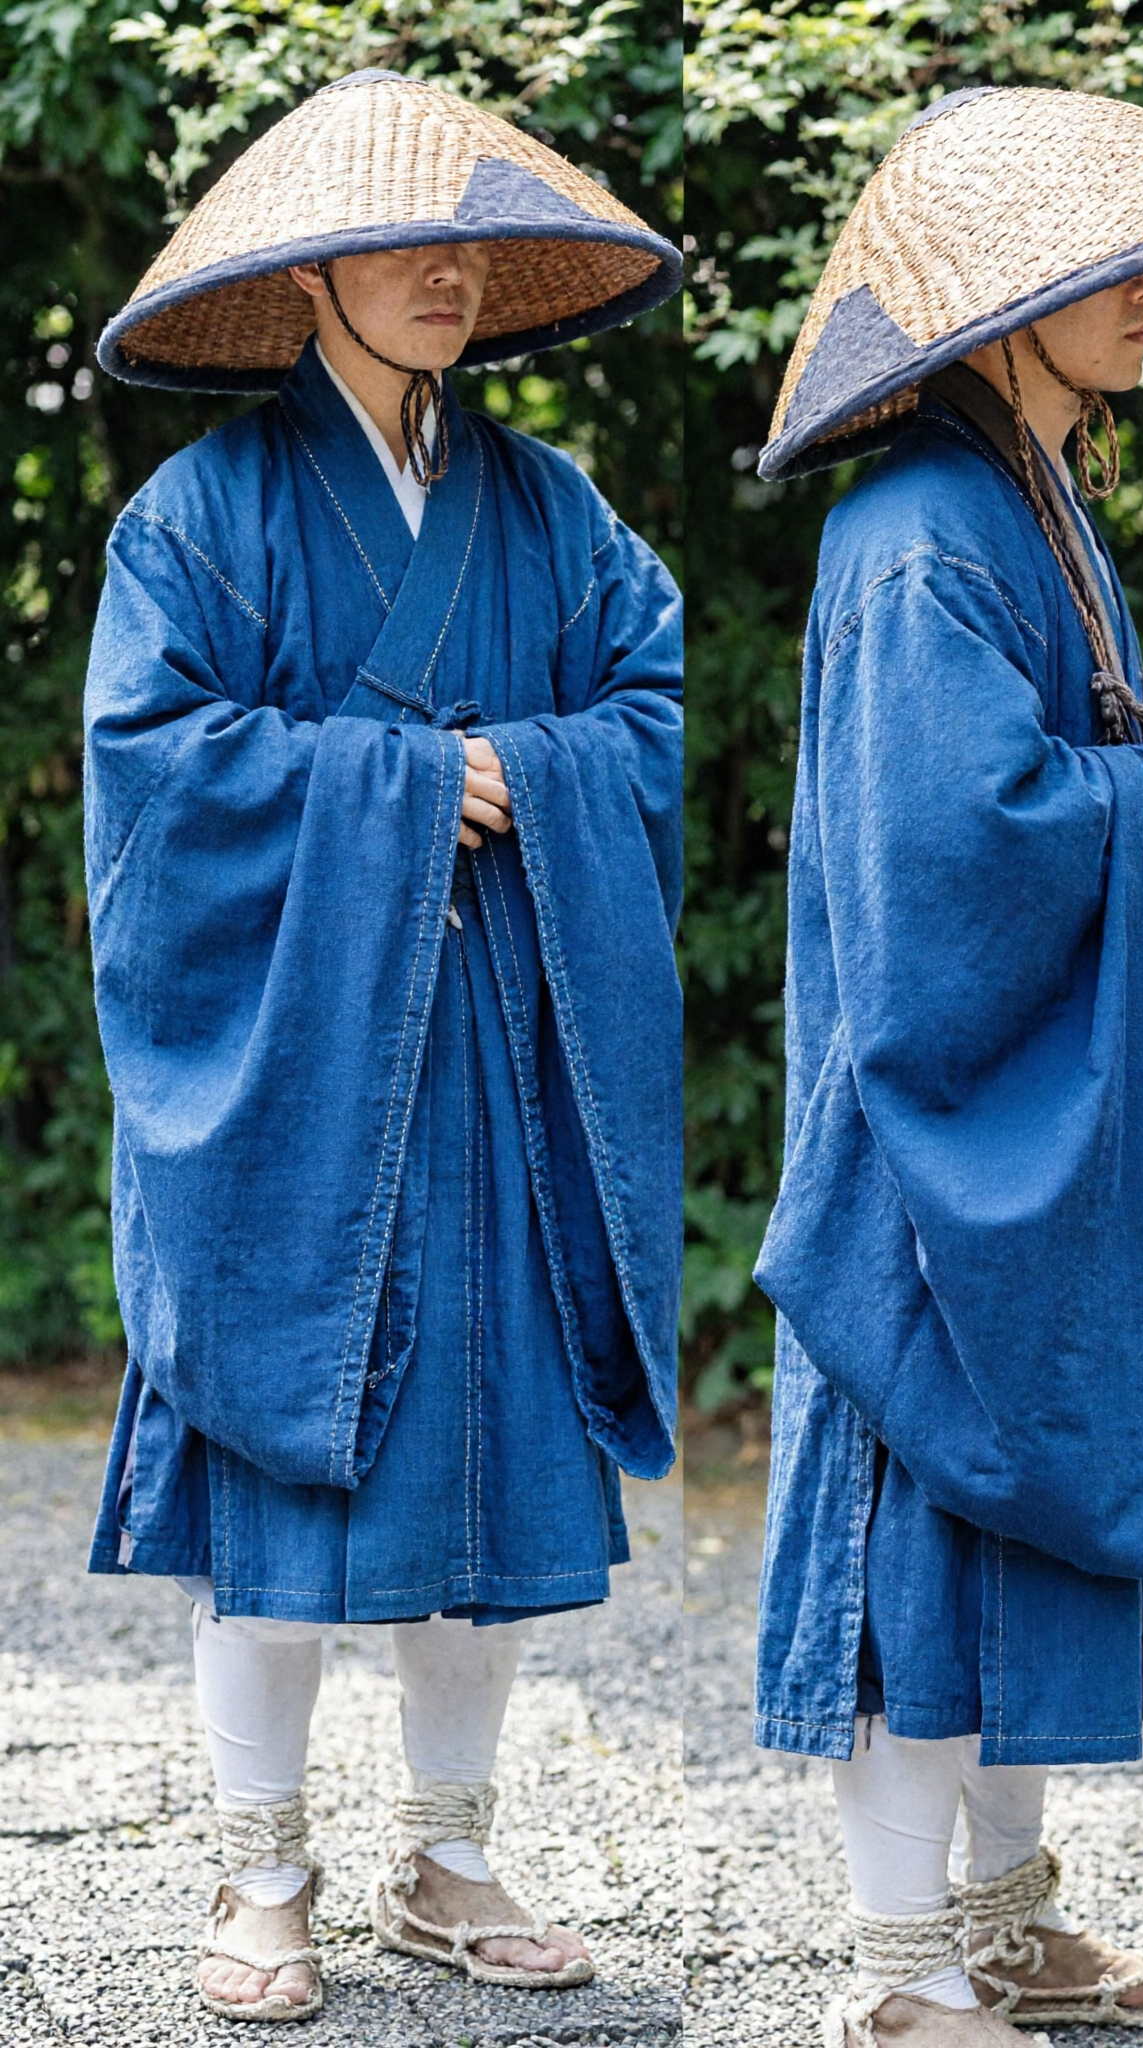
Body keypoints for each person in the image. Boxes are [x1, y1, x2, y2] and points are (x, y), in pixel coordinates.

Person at [747, 85, 1143, 2047]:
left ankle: (1002, 1922)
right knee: (917, 1519)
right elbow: (951, 844)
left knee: (995, 1540)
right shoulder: (922, 522)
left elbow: (1042, 784)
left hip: (1024, 1101)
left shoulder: (1029, 490)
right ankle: (903, 1973)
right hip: (930, 1126)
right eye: (1120, 270)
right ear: (1011, 299)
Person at [84, 70, 683, 2020]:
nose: (445, 270)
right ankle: (259, 1869)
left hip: (494, 1054)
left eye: (465, 243)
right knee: (279, 1447)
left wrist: (544, 769)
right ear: (303, 275)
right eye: (400, 241)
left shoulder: (549, 508)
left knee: (484, 1461)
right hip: (292, 1066)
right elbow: (154, 774)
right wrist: (410, 787)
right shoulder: (202, 514)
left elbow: (648, 705)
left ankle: (453, 1852)